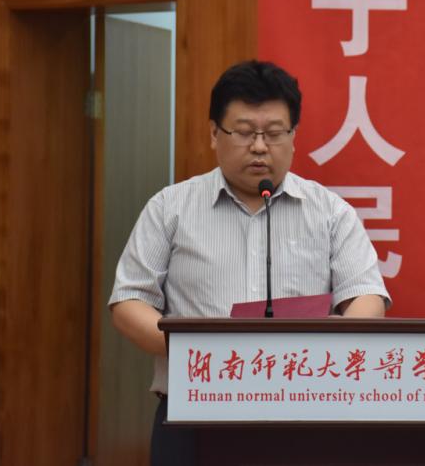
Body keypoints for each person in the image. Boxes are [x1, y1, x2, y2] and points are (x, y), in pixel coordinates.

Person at [108, 59, 390, 465]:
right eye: (243, 132)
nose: (259, 147)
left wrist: (325, 345)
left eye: (274, 133)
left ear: (293, 136)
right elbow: (129, 301)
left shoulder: (331, 212)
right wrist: (198, 351)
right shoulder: (170, 208)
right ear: (214, 133)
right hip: (193, 413)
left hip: (304, 412)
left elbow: (366, 298)